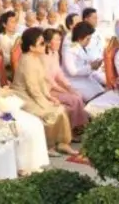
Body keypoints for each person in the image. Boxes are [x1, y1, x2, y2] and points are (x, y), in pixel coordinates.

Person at [11, 27, 78, 157]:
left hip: (35, 95)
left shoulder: (37, 57)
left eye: (44, 42)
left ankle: (63, 143)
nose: (45, 45)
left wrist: (49, 97)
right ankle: (48, 146)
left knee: (61, 109)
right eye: (41, 43)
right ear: (31, 47)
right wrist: (46, 103)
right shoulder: (27, 62)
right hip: (24, 97)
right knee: (50, 114)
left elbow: (41, 82)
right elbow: (33, 89)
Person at [41, 28, 88, 131]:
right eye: (56, 39)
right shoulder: (42, 56)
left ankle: (79, 125)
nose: (59, 42)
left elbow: (59, 73)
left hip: (54, 86)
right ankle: (74, 128)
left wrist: (69, 87)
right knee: (74, 99)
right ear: (48, 42)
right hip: (46, 90)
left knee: (77, 95)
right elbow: (48, 80)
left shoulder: (55, 53)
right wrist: (64, 90)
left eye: (60, 39)